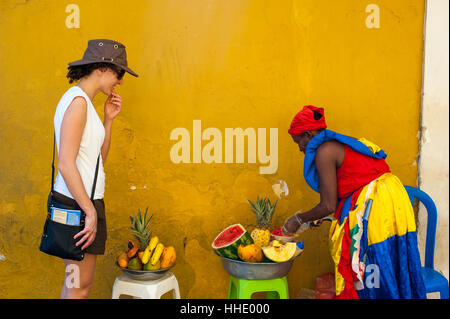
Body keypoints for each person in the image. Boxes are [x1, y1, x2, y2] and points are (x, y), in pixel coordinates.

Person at [282, 105, 426, 299]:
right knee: (387, 264)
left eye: (297, 141)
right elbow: (349, 186)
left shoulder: (324, 152)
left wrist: (298, 220)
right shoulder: (336, 145)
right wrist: (318, 218)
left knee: (371, 269)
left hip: (377, 207)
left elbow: (328, 205)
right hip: (392, 200)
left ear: (307, 134)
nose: (299, 147)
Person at [51, 39, 138, 298]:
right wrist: (88, 211)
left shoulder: (84, 104)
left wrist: (108, 121)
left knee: (79, 285)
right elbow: (66, 163)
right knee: (77, 286)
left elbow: (97, 161)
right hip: (77, 205)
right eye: (118, 73)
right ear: (100, 68)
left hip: (85, 203)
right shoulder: (77, 103)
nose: (120, 81)